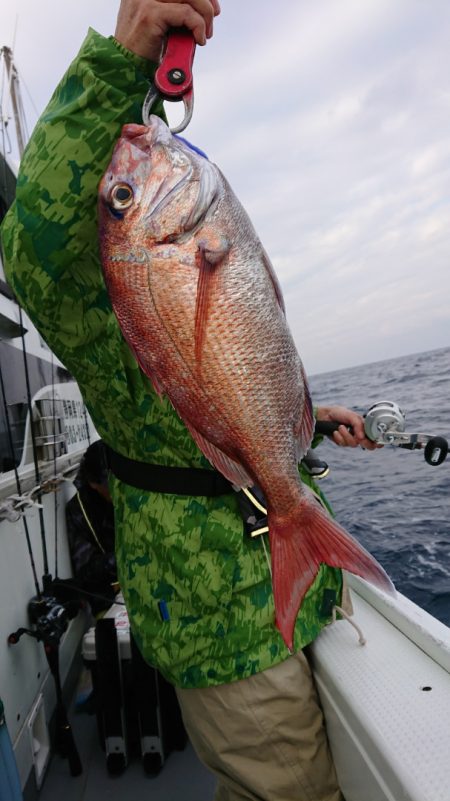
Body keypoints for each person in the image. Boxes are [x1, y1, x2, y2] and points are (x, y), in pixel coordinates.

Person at [1, 2, 379, 798]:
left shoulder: (164, 254)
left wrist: (307, 428)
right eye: (115, 191)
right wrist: (119, 58)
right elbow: (30, 243)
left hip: (295, 581)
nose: (129, 161)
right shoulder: (86, 291)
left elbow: (214, 400)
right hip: (224, 625)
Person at [66, 439, 117, 616]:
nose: (117, 489)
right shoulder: (78, 511)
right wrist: (123, 558)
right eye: (109, 484)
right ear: (94, 484)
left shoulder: (133, 494)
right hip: (109, 600)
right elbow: (86, 571)